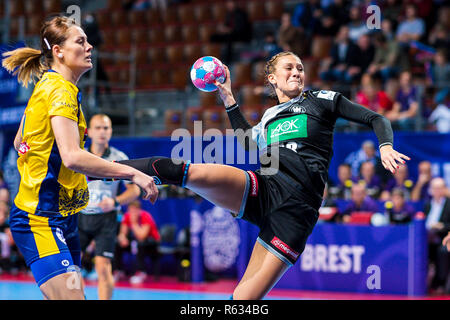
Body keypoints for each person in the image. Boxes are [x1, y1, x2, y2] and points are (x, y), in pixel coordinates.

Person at [105, 51, 409, 299]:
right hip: (264, 188)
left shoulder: (322, 100)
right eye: (289, 67)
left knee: (242, 301)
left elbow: (375, 117)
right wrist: (227, 96)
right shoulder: (269, 117)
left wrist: (385, 146)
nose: (297, 72)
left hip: (296, 212)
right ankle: (103, 170)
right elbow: (248, 144)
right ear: (272, 78)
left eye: (300, 68)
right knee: (181, 170)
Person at [1, 15, 158, 300]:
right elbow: (73, 157)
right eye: (81, 41)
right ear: (58, 51)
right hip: (41, 219)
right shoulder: (58, 91)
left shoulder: (52, 86)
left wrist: (37, 158)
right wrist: (132, 173)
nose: (90, 47)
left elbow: (19, 140)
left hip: (64, 218)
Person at [78, 114, 142, 300]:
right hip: (80, 217)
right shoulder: (79, 155)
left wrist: (114, 202)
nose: (102, 132)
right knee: (72, 268)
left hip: (106, 219)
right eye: (98, 128)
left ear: (111, 131)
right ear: (88, 132)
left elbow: (135, 191)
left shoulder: (119, 158)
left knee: (103, 267)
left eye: (106, 128)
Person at [115, 200, 160, 284]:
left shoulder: (146, 216)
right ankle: (118, 270)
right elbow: (122, 233)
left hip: (151, 243)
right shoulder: (127, 215)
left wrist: (134, 222)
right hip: (136, 242)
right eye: (130, 210)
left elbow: (142, 236)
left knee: (139, 244)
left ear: (139, 210)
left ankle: (141, 272)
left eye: (134, 210)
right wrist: (123, 238)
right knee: (117, 244)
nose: (132, 213)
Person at [424, 177, 450, 293]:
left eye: (440, 188)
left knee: (442, 251)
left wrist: (442, 226)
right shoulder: (428, 204)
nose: (437, 191)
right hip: (427, 238)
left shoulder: (449, 204)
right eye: (434, 188)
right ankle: (422, 284)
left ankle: (440, 284)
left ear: (445, 189)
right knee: (418, 249)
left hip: (444, 237)